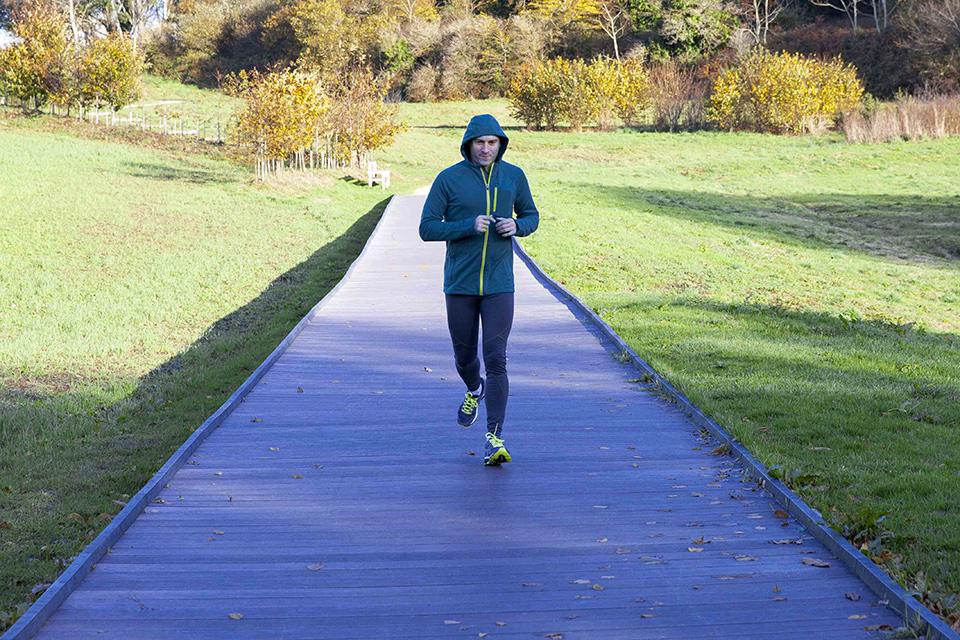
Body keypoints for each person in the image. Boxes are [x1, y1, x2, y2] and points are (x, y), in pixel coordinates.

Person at [419, 114, 540, 466]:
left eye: (493, 142)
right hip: (460, 284)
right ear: (468, 145)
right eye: (480, 142)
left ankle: (494, 438)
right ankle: (474, 388)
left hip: (500, 284)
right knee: (464, 358)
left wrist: (517, 225)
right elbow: (427, 228)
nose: (487, 149)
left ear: (501, 144)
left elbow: (532, 216)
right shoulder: (449, 179)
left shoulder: (513, 176)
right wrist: (466, 226)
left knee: (497, 358)